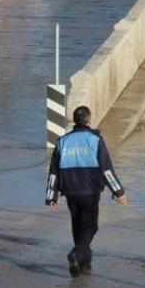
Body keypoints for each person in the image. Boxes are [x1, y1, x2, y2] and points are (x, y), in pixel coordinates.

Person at [45, 106, 127, 278]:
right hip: (90, 191)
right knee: (91, 226)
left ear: (75, 121)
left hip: (71, 192)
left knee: (78, 224)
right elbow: (106, 170)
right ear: (89, 121)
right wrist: (118, 191)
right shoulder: (95, 140)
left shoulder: (62, 142)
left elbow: (53, 172)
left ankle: (84, 264)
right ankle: (77, 253)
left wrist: (51, 195)